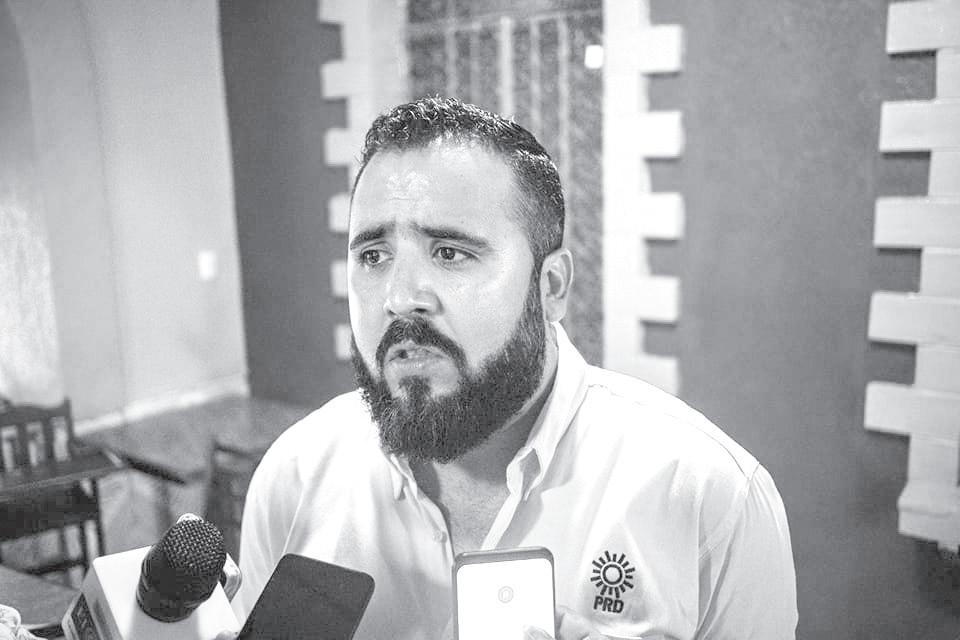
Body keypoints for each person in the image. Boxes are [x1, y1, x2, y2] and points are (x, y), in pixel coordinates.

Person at [233, 96, 798, 639]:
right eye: (373, 256)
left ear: (551, 287)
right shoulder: (295, 477)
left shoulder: (708, 497)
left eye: (450, 253)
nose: (399, 298)